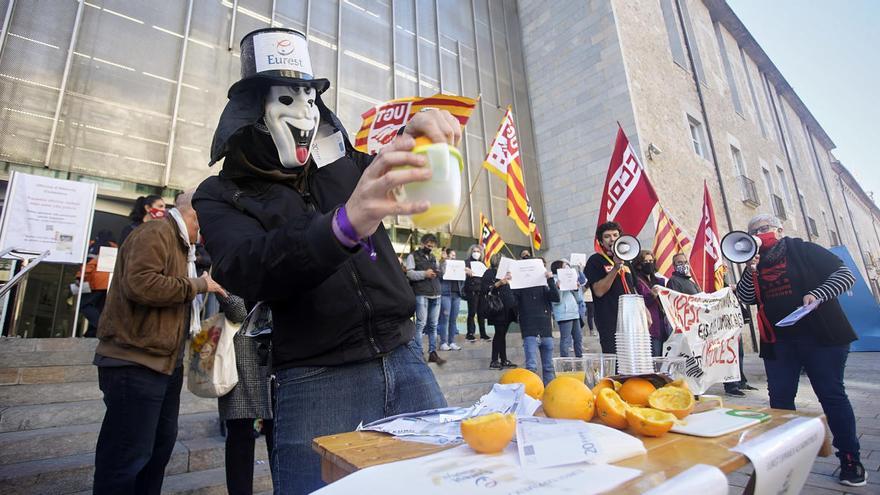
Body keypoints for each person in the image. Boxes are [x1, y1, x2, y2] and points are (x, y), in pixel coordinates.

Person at [192, 28, 451, 494]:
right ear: (253, 109)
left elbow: (391, 175)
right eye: (288, 99)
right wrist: (340, 227)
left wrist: (416, 136)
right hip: (315, 379)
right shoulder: (222, 193)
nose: (305, 112)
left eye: (311, 97)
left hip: (406, 358)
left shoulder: (346, 163)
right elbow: (244, 267)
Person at [92, 191, 226, 494]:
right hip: (134, 361)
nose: (204, 236)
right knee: (127, 456)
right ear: (194, 216)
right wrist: (198, 284)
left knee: (157, 449)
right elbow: (140, 283)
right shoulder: (155, 232)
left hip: (164, 363)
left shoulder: (183, 246)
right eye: (205, 226)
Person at [735, 213, 865, 487]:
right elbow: (745, 298)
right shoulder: (755, 264)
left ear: (780, 230)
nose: (762, 233)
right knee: (780, 399)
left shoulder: (803, 250)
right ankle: (785, 458)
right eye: (755, 230)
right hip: (780, 341)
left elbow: (845, 275)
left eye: (766, 228)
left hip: (822, 337)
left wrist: (818, 294)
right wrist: (750, 270)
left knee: (831, 395)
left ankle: (851, 459)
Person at [217, 294, 274, 495]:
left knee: (277, 431)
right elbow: (237, 311)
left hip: (275, 355)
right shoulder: (229, 263)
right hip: (240, 358)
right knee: (240, 432)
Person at [584, 222, 636, 354]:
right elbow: (599, 291)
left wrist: (644, 311)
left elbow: (633, 289)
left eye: (615, 235)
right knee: (616, 362)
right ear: (601, 242)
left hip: (631, 319)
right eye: (607, 236)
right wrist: (615, 268)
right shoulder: (595, 261)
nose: (612, 239)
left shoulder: (628, 261)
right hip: (610, 320)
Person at [511, 258, 559, 384]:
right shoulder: (519, 289)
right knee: (531, 367)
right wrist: (508, 284)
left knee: (548, 367)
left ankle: (549, 392)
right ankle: (532, 395)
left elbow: (556, 297)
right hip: (530, 332)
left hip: (546, 331)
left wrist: (550, 280)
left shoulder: (544, 287)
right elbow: (511, 303)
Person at [405, 234, 446, 365]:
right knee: (421, 325)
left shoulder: (433, 257)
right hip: (421, 293)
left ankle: (433, 353)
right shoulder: (413, 256)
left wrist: (443, 263)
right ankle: (419, 353)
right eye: (428, 245)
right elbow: (409, 273)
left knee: (433, 326)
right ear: (422, 243)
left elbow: (442, 273)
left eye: (432, 245)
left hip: (436, 293)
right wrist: (424, 274)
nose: (431, 247)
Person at [77, 230, 117, 338]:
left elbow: (90, 263)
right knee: (99, 309)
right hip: (109, 283)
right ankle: (92, 334)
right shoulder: (115, 247)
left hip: (96, 281)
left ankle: (102, 328)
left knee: (83, 305)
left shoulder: (95, 245)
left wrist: (80, 277)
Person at [481, 254, 517, 369]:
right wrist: (499, 283)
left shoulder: (508, 273)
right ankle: (494, 360)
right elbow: (485, 289)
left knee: (502, 334)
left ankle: (504, 359)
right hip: (498, 308)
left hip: (508, 307)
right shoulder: (489, 273)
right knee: (499, 333)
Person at [632, 250, 667, 357]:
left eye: (651, 261)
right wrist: (652, 295)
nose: (649, 263)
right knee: (654, 356)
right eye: (645, 261)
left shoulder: (659, 280)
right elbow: (639, 302)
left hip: (662, 325)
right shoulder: (636, 281)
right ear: (639, 264)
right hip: (650, 326)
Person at [550, 260, 582, 358]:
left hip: (574, 313)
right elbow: (556, 301)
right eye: (565, 266)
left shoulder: (570, 279)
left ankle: (579, 359)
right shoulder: (553, 281)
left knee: (578, 338)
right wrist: (558, 288)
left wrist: (576, 289)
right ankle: (565, 362)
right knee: (566, 339)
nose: (567, 268)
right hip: (564, 314)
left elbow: (578, 299)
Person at [437, 248, 463, 351]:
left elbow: (462, 280)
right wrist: (444, 262)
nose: (454, 257)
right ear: (447, 255)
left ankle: (451, 342)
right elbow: (441, 275)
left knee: (453, 320)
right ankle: (443, 342)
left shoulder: (458, 266)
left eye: (454, 255)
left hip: (456, 295)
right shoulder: (442, 264)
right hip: (446, 294)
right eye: (452, 255)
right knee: (445, 318)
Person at [463, 244, 490, 341]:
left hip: (482, 291)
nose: (476, 253)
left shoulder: (483, 264)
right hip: (472, 290)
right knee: (472, 313)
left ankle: (483, 334)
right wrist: (465, 270)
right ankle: (470, 333)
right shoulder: (466, 263)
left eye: (478, 252)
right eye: (474, 251)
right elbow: (460, 271)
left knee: (481, 313)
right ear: (471, 252)